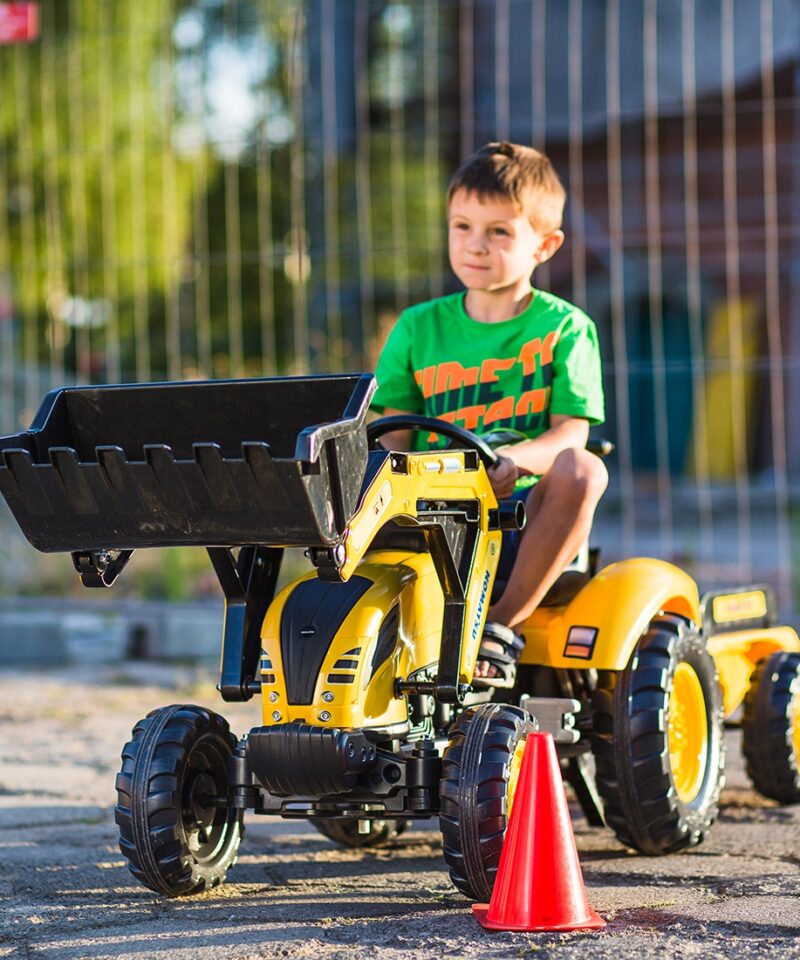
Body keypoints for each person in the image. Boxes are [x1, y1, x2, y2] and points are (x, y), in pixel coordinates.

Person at [371, 141, 607, 687]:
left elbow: (571, 433)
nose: (475, 246)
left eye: (499, 232)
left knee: (585, 468)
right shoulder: (416, 328)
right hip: (434, 518)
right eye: (462, 226)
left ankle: (500, 627)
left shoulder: (566, 329)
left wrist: (518, 461)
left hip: (520, 518)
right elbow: (394, 438)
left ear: (545, 246)